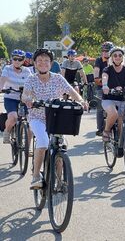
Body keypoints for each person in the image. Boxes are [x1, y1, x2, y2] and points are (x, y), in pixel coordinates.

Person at [22, 48, 88, 189]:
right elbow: (25, 94)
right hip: (37, 118)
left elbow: (70, 90)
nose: (43, 63)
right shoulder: (31, 79)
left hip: (56, 118)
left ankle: (59, 181)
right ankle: (35, 177)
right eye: (39, 60)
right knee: (44, 142)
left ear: (51, 64)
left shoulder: (57, 78)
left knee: (60, 146)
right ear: (34, 63)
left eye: (46, 60)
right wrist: (28, 99)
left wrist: (81, 101)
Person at [0, 49, 32, 143]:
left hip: (24, 98)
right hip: (11, 97)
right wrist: (1, 87)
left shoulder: (27, 71)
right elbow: (2, 79)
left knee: (30, 122)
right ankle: (7, 130)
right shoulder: (7, 68)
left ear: (23, 60)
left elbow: (32, 82)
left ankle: (27, 147)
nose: (17, 61)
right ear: (12, 59)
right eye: (15, 59)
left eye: (20, 59)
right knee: (13, 117)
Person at [94, 41, 114, 136]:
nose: (105, 52)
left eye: (107, 51)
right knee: (100, 108)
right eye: (103, 51)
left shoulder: (115, 59)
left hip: (114, 87)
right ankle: (101, 128)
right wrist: (97, 79)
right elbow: (96, 71)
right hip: (101, 86)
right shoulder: (98, 60)